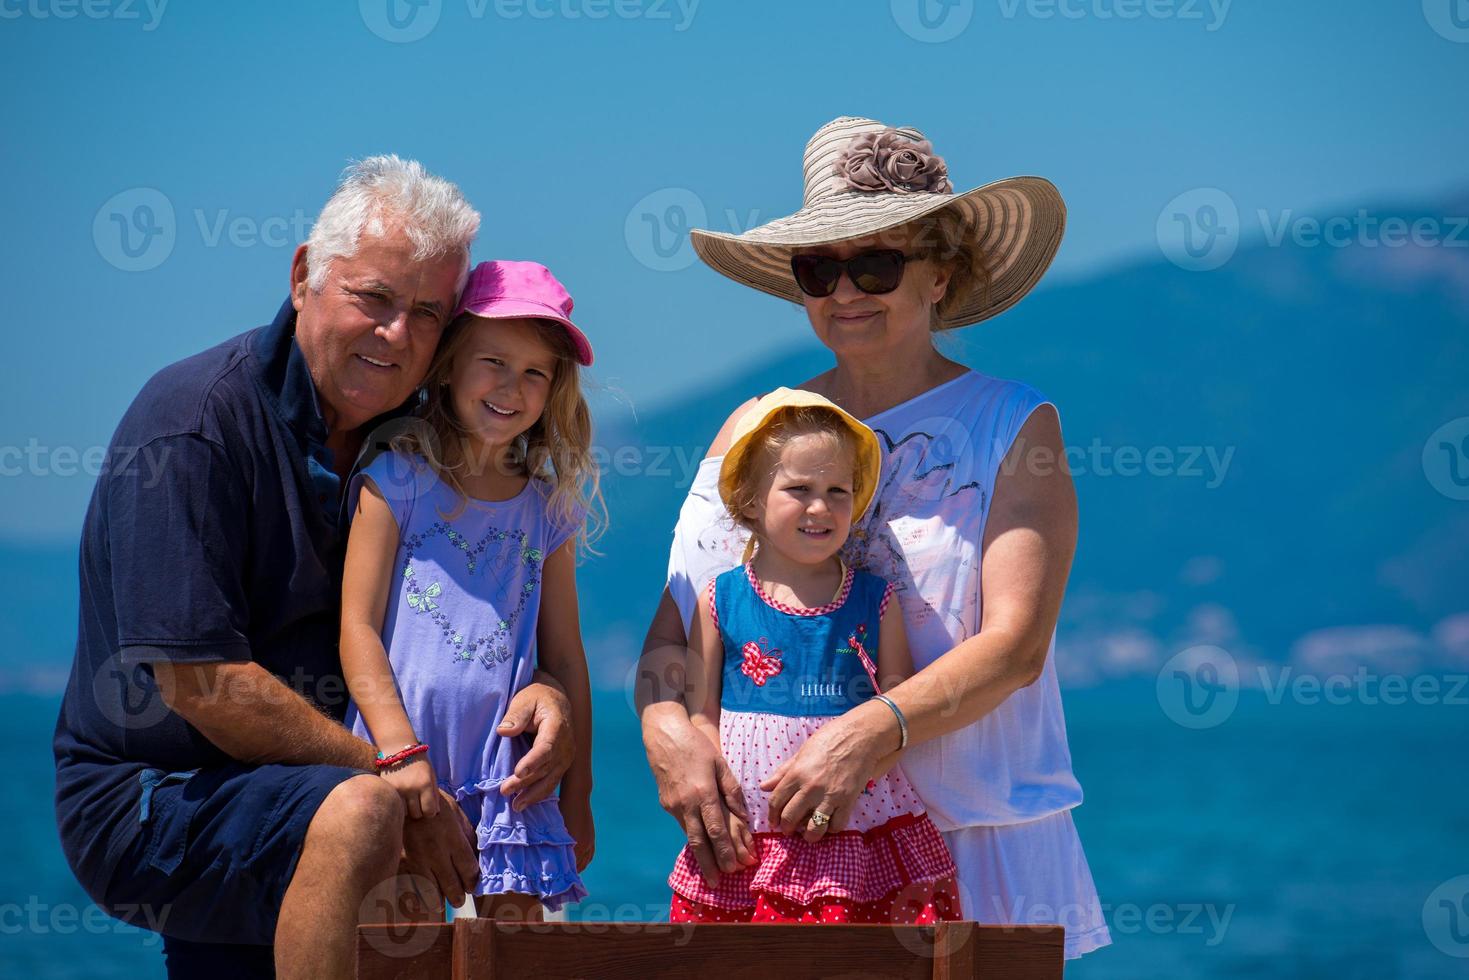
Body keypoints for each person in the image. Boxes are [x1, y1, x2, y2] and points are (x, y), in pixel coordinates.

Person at [53, 157, 578, 980]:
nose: (396, 334)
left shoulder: (424, 440)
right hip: (156, 793)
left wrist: (546, 686)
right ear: (303, 276)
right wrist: (401, 777)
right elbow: (203, 685)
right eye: (374, 298)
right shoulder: (193, 425)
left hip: (317, 785)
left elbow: (495, 606)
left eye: (427, 313)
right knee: (367, 813)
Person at [639, 116, 1111, 957]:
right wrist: (663, 729)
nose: (844, 290)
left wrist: (864, 736)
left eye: (876, 263)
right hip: (775, 857)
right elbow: (678, 630)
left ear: (941, 274)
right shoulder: (751, 427)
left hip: (977, 834)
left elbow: (1015, 647)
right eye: (820, 269)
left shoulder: (1013, 423)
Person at [341, 260, 599, 922]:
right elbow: (357, 629)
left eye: (534, 372)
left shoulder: (548, 511)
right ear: (450, 365)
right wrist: (399, 755)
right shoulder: (395, 479)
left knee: (510, 954)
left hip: (511, 774)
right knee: (403, 949)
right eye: (493, 361)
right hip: (399, 764)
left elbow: (565, 658)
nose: (511, 387)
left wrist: (578, 797)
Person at [666, 389, 962, 924]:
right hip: (748, 835)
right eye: (799, 489)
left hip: (855, 826)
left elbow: (897, 713)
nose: (821, 507)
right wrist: (720, 804)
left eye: (838, 490)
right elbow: (701, 714)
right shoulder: (719, 598)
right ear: (751, 500)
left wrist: (857, 781)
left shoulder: (877, 599)